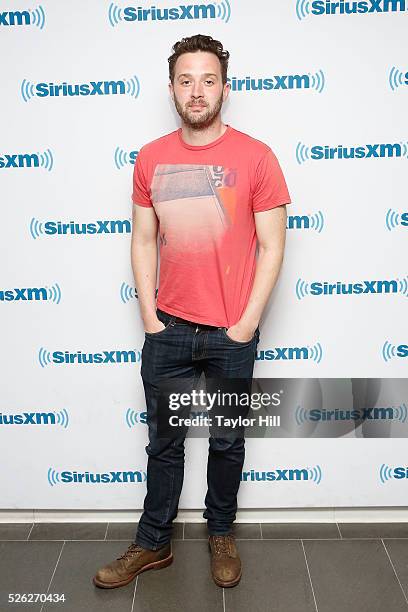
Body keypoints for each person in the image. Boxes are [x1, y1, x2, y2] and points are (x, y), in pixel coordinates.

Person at [93, 33, 291, 590]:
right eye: (186, 80)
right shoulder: (151, 157)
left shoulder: (257, 156)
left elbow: (274, 246)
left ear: (225, 87)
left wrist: (246, 323)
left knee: (227, 441)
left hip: (232, 331)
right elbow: (140, 240)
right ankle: (154, 542)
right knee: (164, 443)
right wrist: (150, 319)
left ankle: (220, 532)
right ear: (172, 88)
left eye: (208, 80)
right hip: (170, 328)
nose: (197, 91)